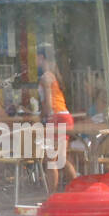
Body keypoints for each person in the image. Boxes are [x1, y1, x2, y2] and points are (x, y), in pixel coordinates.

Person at [37, 43, 77, 193]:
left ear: (41, 57)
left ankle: (51, 195)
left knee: (51, 160)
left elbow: (48, 101)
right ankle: (77, 188)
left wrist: (47, 117)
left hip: (56, 117)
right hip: (63, 116)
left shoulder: (46, 76)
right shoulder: (53, 74)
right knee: (61, 158)